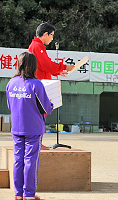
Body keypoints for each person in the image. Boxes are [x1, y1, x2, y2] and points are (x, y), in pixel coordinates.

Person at [6, 52, 53, 200]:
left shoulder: (11, 83)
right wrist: (51, 104)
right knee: (30, 160)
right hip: (33, 128)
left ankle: (18, 193)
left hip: (16, 127)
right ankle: (29, 194)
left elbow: (9, 105)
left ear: (19, 65)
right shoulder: (36, 84)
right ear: (33, 66)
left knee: (18, 159)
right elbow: (47, 108)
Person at [28, 22, 74, 150]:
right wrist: (64, 66)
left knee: (40, 115)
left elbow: (44, 66)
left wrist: (59, 71)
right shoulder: (38, 46)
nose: (52, 38)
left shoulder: (36, 46)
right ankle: (37, 143)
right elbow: (46, 64)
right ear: (45, 34)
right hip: (40, 85)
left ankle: (37, 142)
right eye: (52, 35)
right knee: (40, 115)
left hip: (40, 84)